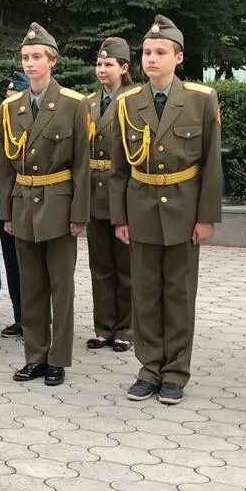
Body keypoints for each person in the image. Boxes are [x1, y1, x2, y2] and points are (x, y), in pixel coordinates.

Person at [108, 14, 223, 405]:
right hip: (141, 208)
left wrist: (206, 217)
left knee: (178, 292)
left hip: (183, 208)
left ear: (178, 58)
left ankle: (175, 371)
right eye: (147, 52)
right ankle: (148, 367)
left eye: (161, 52)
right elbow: (119, 167)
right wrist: (119, 218)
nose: (152, 59)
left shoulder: (201, 99)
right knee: (144, 292)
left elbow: (210, 163)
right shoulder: (127, 103)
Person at [0, 23, 91, 387]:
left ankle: (58, 358)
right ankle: (35, 355)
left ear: (52, 61)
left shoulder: (73, 103)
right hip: (23, 203)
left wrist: (79, 213)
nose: (30, 63)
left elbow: (82, 162)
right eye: (25, 57)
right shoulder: (10, 108)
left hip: (59, 203)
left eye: (37, 57)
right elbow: (4, 165)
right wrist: (6, 211)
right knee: (31, 284)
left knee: (60, 286)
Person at [85, 37, 135, 353]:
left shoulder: (134, 99)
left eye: (109, 64)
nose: (102, 70)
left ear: (124, 68)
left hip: (123, 192)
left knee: (126, 267)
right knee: (100, 265)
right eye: (100, 64)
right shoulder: (88, 103)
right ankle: (104, 327)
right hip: (93, 191)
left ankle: (127, 328)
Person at [0, 71, 30, 338]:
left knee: (33, 266)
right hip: (8, 201)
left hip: (35, 199)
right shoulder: (3, 121)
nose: (11, 102)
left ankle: (39, 318)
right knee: (12, 263)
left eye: (16, 96)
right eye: (8, 97)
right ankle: (21, 316)